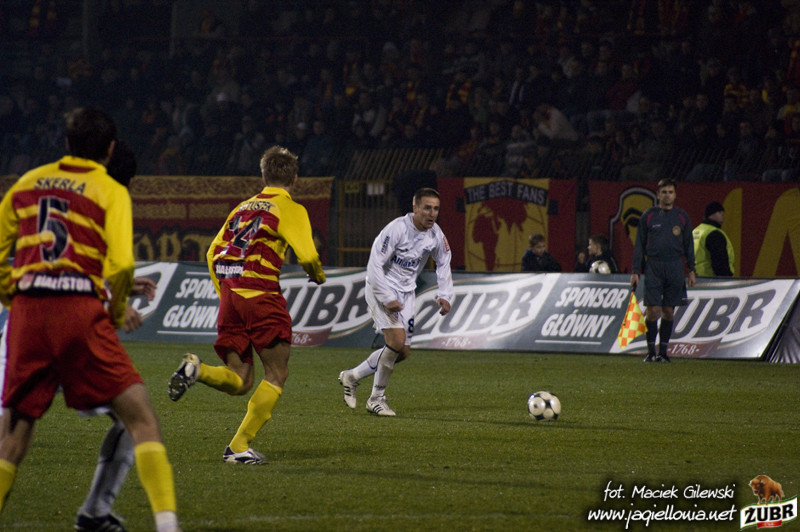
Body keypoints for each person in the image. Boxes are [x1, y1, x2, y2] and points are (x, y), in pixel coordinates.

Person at [0, 107, 180, 532]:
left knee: (13, 436)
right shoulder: (109, 190)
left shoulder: (27, 183)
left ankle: (96, 512)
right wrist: (114, 313)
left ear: (66, 143)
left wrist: (14, 293)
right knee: (140, 417)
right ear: (110, 149)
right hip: (78, 317)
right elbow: (120, 265)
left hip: (26, 317)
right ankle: (166, 526)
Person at [168, 146, 325, 465]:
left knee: (240, 379)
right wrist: (316, 275)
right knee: (277, 372)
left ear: (263, 177)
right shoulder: (290, 208)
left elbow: (212, 252)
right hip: (261, 295)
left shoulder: (242, 208)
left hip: (231, 295)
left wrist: (224, 291)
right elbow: (308, 255)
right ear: (295, 178)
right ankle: (238, 446)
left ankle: (197, 370)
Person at [73, 140, 156, 532]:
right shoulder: (110, 202)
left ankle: (95, 512)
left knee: (13, 427)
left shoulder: (58, 193)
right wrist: (117, 302)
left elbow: (73, 264)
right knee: (135, 416)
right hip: (72, 329)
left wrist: (120, 288)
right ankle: (97, 511)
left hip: (27, 327)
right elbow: (89, 268)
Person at [338, 188, 453, 416]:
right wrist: (387, 297)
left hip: (406, 294)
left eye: (436, 209)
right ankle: (376, 399)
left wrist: (445, 294)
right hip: (381, 289)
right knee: (396, 341)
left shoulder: (436, 234)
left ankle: (352, 376)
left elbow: (443, 261)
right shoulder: (397, 229)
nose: (432, 213)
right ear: (415, 208)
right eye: (427, 208)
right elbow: (374, 264)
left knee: (402, 352)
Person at [630, 178, 697, 363]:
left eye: (670, 192)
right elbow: (639, 245)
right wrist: (635, 271)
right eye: (664, 192)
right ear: (658, 194)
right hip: (653, 266)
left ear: (675, 195)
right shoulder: (648, 216)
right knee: (653, 311)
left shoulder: (682, 217)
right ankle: (651, 351)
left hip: (675, 266)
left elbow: (688, 245)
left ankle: (664, 353)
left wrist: (692, 269)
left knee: (668, 311)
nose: (667, 196)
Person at [693, 201, 734, 277]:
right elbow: (720, 262)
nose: (722, 214)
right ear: (711, 214)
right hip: (712, 279)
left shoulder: (695, 231)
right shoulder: (713, 233)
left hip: (696, 278)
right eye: (719, 211)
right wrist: (726, 278)